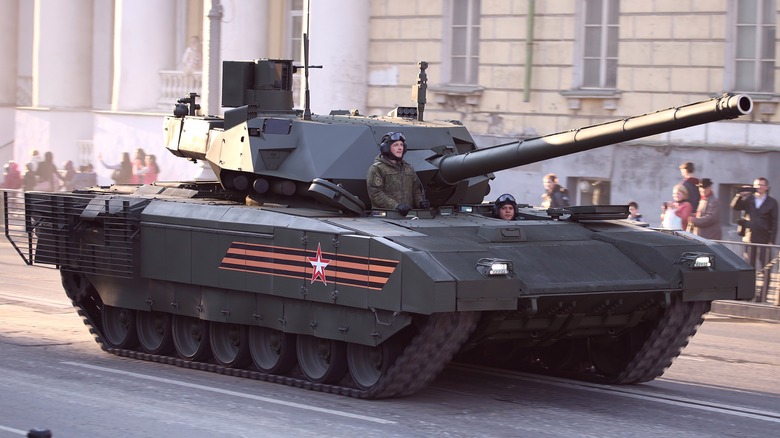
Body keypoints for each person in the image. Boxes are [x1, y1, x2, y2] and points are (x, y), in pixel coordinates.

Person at [731, 177, 778, 297]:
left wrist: (771, 240)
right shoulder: (749, 199)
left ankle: (762, 294)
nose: (759, 187)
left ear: (766, 187)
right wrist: (740, 195)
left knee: (766, 267)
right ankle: (748, 293)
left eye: (762, 185)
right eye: (757, 185)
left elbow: (774, 222)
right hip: (749, 237)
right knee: (749, 268)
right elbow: (735, 207)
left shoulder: (772, 202)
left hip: (763, 239)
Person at [366, 131, 429, 216]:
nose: (400, 148)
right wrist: (395, 206)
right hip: (385, 217)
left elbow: (416, 190)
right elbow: (376, 194)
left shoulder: (408, 168)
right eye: (396, 145)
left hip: (408, 216)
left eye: (401, 145)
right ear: (386, 148)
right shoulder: (378, 168)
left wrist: (420, 202)